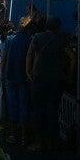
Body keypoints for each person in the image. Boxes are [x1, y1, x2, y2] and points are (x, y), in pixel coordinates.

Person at [26, 17, 67, 151]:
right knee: (53, 111)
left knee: (38, 111)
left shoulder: (37, 37)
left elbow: (30, 55)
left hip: (39, 78)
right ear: (58, 27)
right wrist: (69, 76)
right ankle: (52, 142)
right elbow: (72, 58)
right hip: (56, 80)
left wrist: (28, 71)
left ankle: (40, 142)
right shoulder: (61, 39)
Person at [2, 16, 35, 145]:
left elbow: (4, 58)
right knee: (24, 106)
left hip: (11, 75)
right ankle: (23, 137)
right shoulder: (30, 40)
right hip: (24, 77)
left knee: (12, 105)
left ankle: (14, 135)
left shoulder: (10, 39)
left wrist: (3, 73)